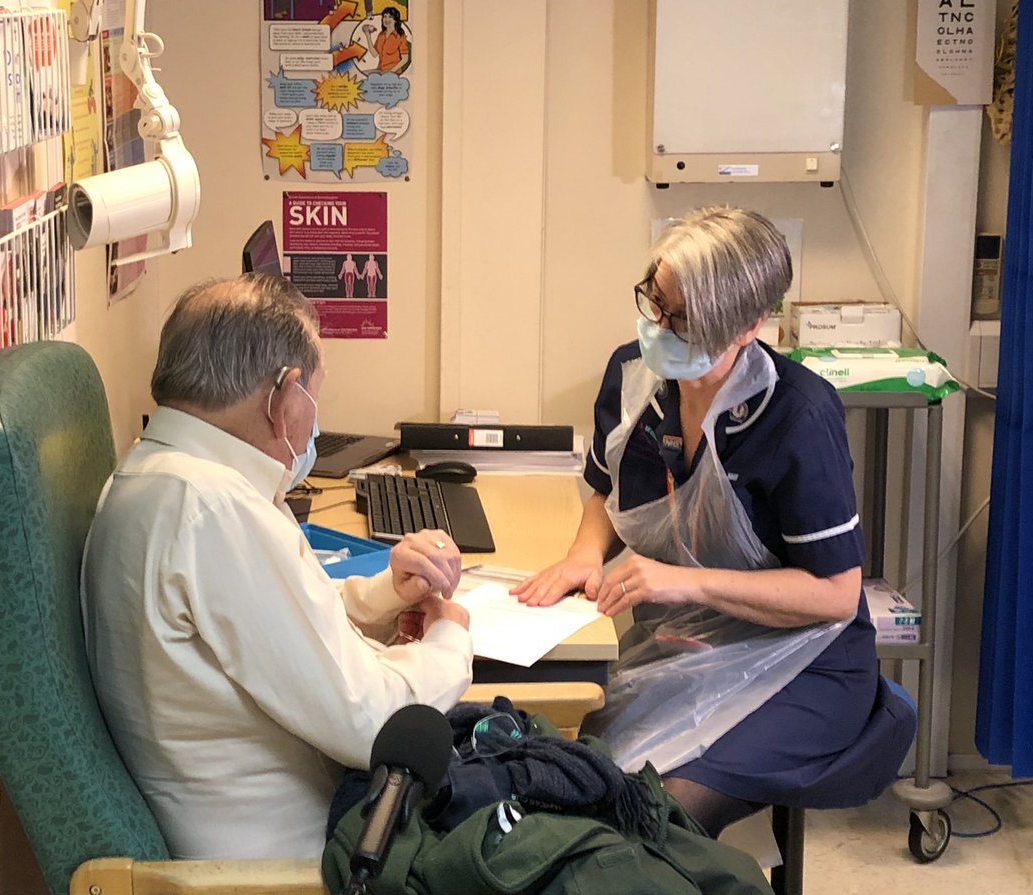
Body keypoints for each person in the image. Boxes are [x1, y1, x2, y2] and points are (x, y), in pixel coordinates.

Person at [512, 206, 913, 838]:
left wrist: (683, 582)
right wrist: (586, 554)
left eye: (688, 322)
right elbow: (602, 487)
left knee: (655, 812)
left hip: (806, 661)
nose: (662, 329)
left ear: (752, 324)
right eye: (657, 303)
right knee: (567, 770)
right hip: (686, 643)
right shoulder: (631, 377)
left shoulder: (799, 417)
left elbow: (836, 594)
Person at [80, 273, 472, 860]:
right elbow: (375, 725)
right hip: (301, 863)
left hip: (287, 826)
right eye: (315, 397)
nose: (314, 422)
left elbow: (273, 629)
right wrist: (450, 636)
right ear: (285, 393)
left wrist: (387, 595)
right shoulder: (210, 511)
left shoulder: (156, 477)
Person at [361, 6, 410, 74]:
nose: (386, 19)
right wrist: (367, 35)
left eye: (390, 17)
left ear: (395, 20)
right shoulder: (381, 35)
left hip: (394, 72)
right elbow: (374, 54)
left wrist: (390, 72)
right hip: (380, 70)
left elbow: (405, 59)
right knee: (361, 75)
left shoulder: (400, 36)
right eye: (384, 16)